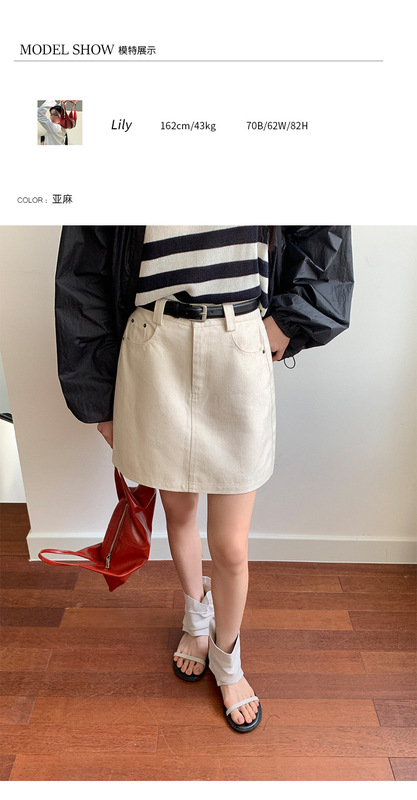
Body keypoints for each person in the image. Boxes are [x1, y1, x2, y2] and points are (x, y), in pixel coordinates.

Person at [55, 225, 354, 732]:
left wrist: (287, 322)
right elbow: (83, 267)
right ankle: (196, 618)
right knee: (179, 513)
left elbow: (324, 226)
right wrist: (100, 399)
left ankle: (228, 656)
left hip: (240, 342)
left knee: (231, 546)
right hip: (153, 347)